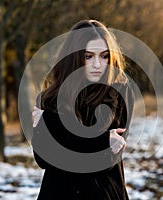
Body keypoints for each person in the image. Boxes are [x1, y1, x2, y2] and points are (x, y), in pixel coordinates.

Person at [31, 19, 134, 200]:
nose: (97, 64)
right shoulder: (49, 98)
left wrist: (51, 124)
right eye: (88, 56)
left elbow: (105, 160)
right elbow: (43, 158)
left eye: (104, 56)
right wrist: (102, 140)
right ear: (74, 57)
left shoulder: (120, 92)